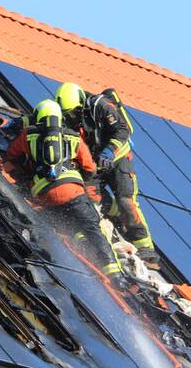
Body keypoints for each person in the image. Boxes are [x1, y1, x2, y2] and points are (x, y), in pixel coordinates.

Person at [4, 99, 124, 282]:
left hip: (45, 197)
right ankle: (114, 274)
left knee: (66, 225)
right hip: (73, 193)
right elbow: (90, 168)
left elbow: (10, 156)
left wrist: (23, 178)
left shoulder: (28, 135)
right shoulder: (73, 136)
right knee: (92, 228)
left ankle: (76, 254)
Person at [54, 83, 158, 268]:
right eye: (68, 114)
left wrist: (110, 151)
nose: (72, 117)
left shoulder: (100, 105)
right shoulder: (69, 117)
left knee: (126, 199)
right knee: (94, 198)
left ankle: (145, 247)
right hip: (96, 163)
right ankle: (116, 214)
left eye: (74, 112)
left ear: (81, 102)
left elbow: (123, 130)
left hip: (119, 158)